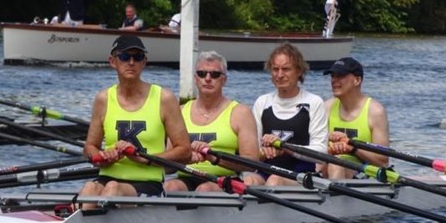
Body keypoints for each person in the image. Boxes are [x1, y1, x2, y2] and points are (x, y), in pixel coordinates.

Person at [80, 35, 191, 209]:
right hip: (107, 177)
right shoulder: (103, 99)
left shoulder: (164, 98)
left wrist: (145, 159)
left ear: (144, 62)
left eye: (137, 57)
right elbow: (89, 147)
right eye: (125, 57)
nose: (131, 62)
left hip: (147, 183)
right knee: (89, 188)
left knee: (112, 189)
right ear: (112, 61)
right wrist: (102, 157)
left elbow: (185, 151)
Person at [164, 51, 259, 192]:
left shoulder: (240, 113)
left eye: (214, 75)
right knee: (170, 186)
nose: (208, 78)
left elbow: (251, 162)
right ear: (196, 79)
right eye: (202, 74)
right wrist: (186, 157)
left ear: (224, 80)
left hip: (224, 179)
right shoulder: (180, 112)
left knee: (205, 189)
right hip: (186, 177)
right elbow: (166, 167)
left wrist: (214, 158)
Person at [243, 43, 328, 186]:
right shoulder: (262, 102)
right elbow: (252, 152)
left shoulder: (313, 102)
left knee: (275, 180)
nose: (280, 75)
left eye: (286, 69)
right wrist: (265, 152)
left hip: (302, 175)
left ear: (299, 71)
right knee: (248, 180)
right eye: (275, 69)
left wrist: (284, 148)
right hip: (266, 171)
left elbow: (320, 153)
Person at [321, 57, 389, 179]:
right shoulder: (327, 107)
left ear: (357, 80)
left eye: (340, 76)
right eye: (332, 76)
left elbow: (382, 162)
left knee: (336, 165)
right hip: (329, 168)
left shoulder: (375, 111)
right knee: (330, 163)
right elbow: (315, 151)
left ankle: (334, 196)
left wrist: (352, 149)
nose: (334, 81)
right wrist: (330, 149)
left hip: (363, 174)